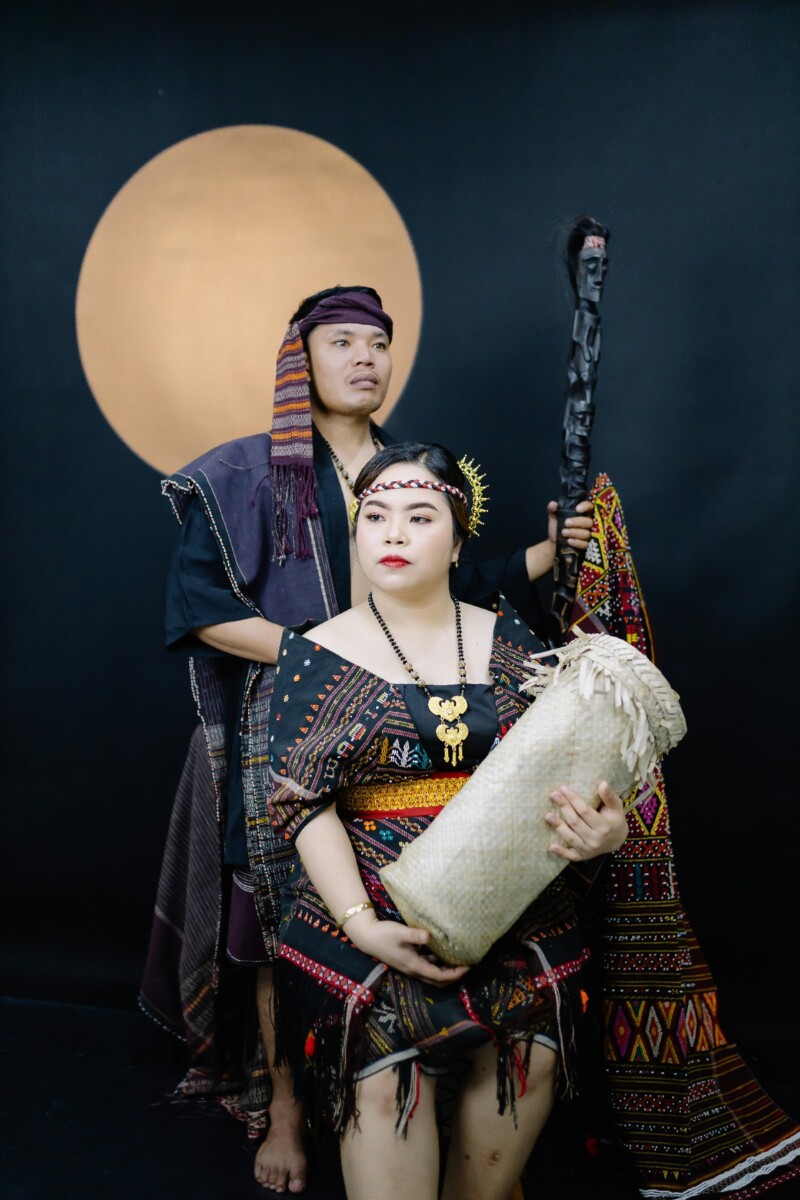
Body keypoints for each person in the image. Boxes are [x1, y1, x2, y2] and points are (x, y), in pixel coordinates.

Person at [139, 287, 594, 1194]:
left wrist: (547, 554)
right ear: (300, 358)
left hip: (414, 710)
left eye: (378, 343)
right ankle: (286, 1108)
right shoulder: (244, 472)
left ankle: (457, 1098)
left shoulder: (406, 469)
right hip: (292, 705)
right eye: (341, 341)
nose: (363, 358)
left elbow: (453, 589)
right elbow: (198, 609)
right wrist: (325, 660)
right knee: (271, 908)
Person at [267, 442, 628, 1200]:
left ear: (459, 542)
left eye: (420, 516)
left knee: (529, 1046)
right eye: (375, 517)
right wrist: (363, 923)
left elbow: (572, 769)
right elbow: (303, 804)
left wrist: (607, 830)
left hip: (510, 893)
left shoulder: (513, 640)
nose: (393, 533)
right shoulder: (313, 653)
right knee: (386, 1067)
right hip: (368, 893)